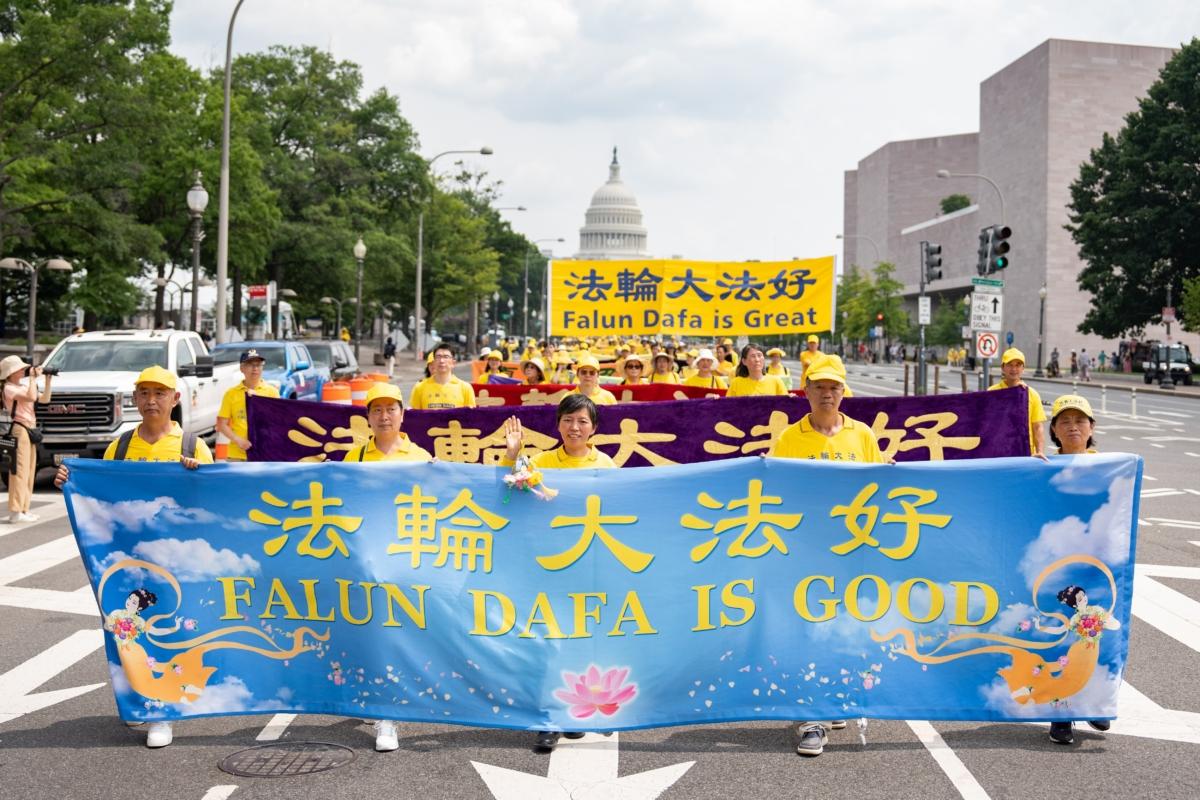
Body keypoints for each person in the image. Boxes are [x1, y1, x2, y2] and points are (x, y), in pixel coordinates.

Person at [54, 365, 211, 748]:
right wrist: (69, 482)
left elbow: (214, 503)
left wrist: (199, 475)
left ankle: (162, 711)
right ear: (135, 399)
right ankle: (142, 701)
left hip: (177, 562)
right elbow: (101, 500)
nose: (151, 400)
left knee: (169, 633)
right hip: (127, 563)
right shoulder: (120, 447)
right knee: (126, 633)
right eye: (144, 393)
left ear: (175, 399)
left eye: (160, 392)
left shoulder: (192, 445)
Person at [767, 353, 884, 756]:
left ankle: (831, 697)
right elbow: (777, 492)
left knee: (843, 627)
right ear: (806, 391)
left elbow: (879, 486)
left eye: (834, 387)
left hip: (852, 551)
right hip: (806, 550)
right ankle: (810, 718)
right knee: (807, 628)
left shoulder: (862, 435)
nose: (827, 394)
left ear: (843, 391)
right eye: (819, 387)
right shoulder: (790, 438)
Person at [501, 393, 614, 751]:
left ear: (594, 428)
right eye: (568, 420)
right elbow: (510, 491)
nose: (575, 427)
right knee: (547, 642)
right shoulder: (542, 462)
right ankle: (547, 719)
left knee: (585, 640)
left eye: (582, 421)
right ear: (558, 424)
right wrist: (513, 454)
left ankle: (575, 712)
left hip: (590, 564)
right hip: (548, 565)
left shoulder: (607, 465)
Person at [1, 355, 52, 523]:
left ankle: (24, 508)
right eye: (20, 369)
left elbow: (44, 399)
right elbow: (30, 397)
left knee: (30, 471)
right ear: (11, 373)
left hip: (30, 429)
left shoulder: (23, 386)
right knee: (19, 471)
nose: (23, 370)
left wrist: (47, 379)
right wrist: (31, 377)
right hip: (19, 429)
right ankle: (15, 511)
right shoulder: (8, 388)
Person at [215, 350, 280, 462]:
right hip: (237, 456)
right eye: (251, 364)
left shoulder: (272, 392)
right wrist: (238, 440)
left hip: (264, 454)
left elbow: (278, 421)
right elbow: (221, 424)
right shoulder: (231, 394)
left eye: (258, 365)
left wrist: (258, 400)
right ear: (242, 368)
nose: (255, 368)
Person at [988, 348, 1047, 458]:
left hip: (1025, 453)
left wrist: (1040, 451)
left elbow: (1037, 427)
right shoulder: (992, 392)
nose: (1014, 369)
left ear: (1023, 368)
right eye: (1010, 365)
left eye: (1018, 365)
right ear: (1002, 368)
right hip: (998, 452)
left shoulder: (1031, 394)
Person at [409, 344, 476, 409]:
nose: (442, 361)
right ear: (434, 362)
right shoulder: (420, 387)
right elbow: (414, 417)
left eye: (446, 357)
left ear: (453, 363)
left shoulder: (465, 388)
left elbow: (471, 418)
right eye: (438, 357)